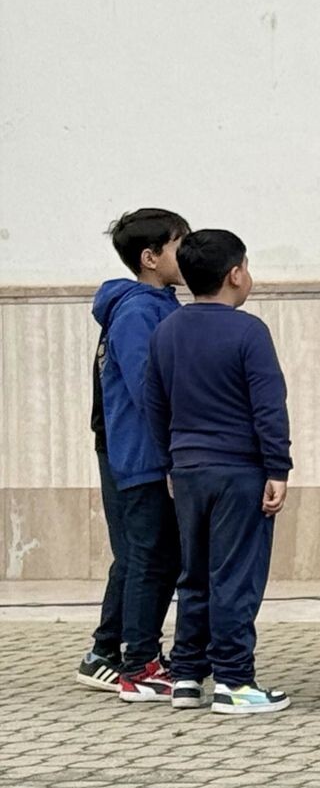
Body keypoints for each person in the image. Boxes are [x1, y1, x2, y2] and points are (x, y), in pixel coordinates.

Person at [145, 229, 293, 715]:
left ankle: (187, 676)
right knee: (235, 576)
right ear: (235, 274)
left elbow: (154, 404)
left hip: (187, 470)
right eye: (246, 266)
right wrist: (278, 466)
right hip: (239, 472)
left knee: (195, 575)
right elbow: (268, 406)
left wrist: (170, 460)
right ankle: (234, 680)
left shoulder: (166, 331)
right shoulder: (249, 332)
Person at [79, 208, 189, 700]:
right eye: (179, 244)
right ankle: (124, 658)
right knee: (146, 555)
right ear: (150, 257)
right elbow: (150, 389)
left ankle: (113, 652)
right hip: (139, 454)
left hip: (146, 451)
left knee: (150, 554)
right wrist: (173, 450)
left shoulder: (159, 304)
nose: (187, 253)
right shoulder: (137, 311)